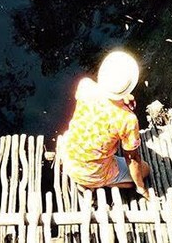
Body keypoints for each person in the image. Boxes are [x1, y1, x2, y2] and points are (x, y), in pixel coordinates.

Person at [61, 50, 151, 199]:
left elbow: (100, 100)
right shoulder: (127, 119)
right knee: (146, 169)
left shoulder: (85, 85)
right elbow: (132, 159)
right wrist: (141, 188)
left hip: (69, 158)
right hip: (91, 173)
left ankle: (91, 180)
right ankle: (98, 182)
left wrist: (120, 98)